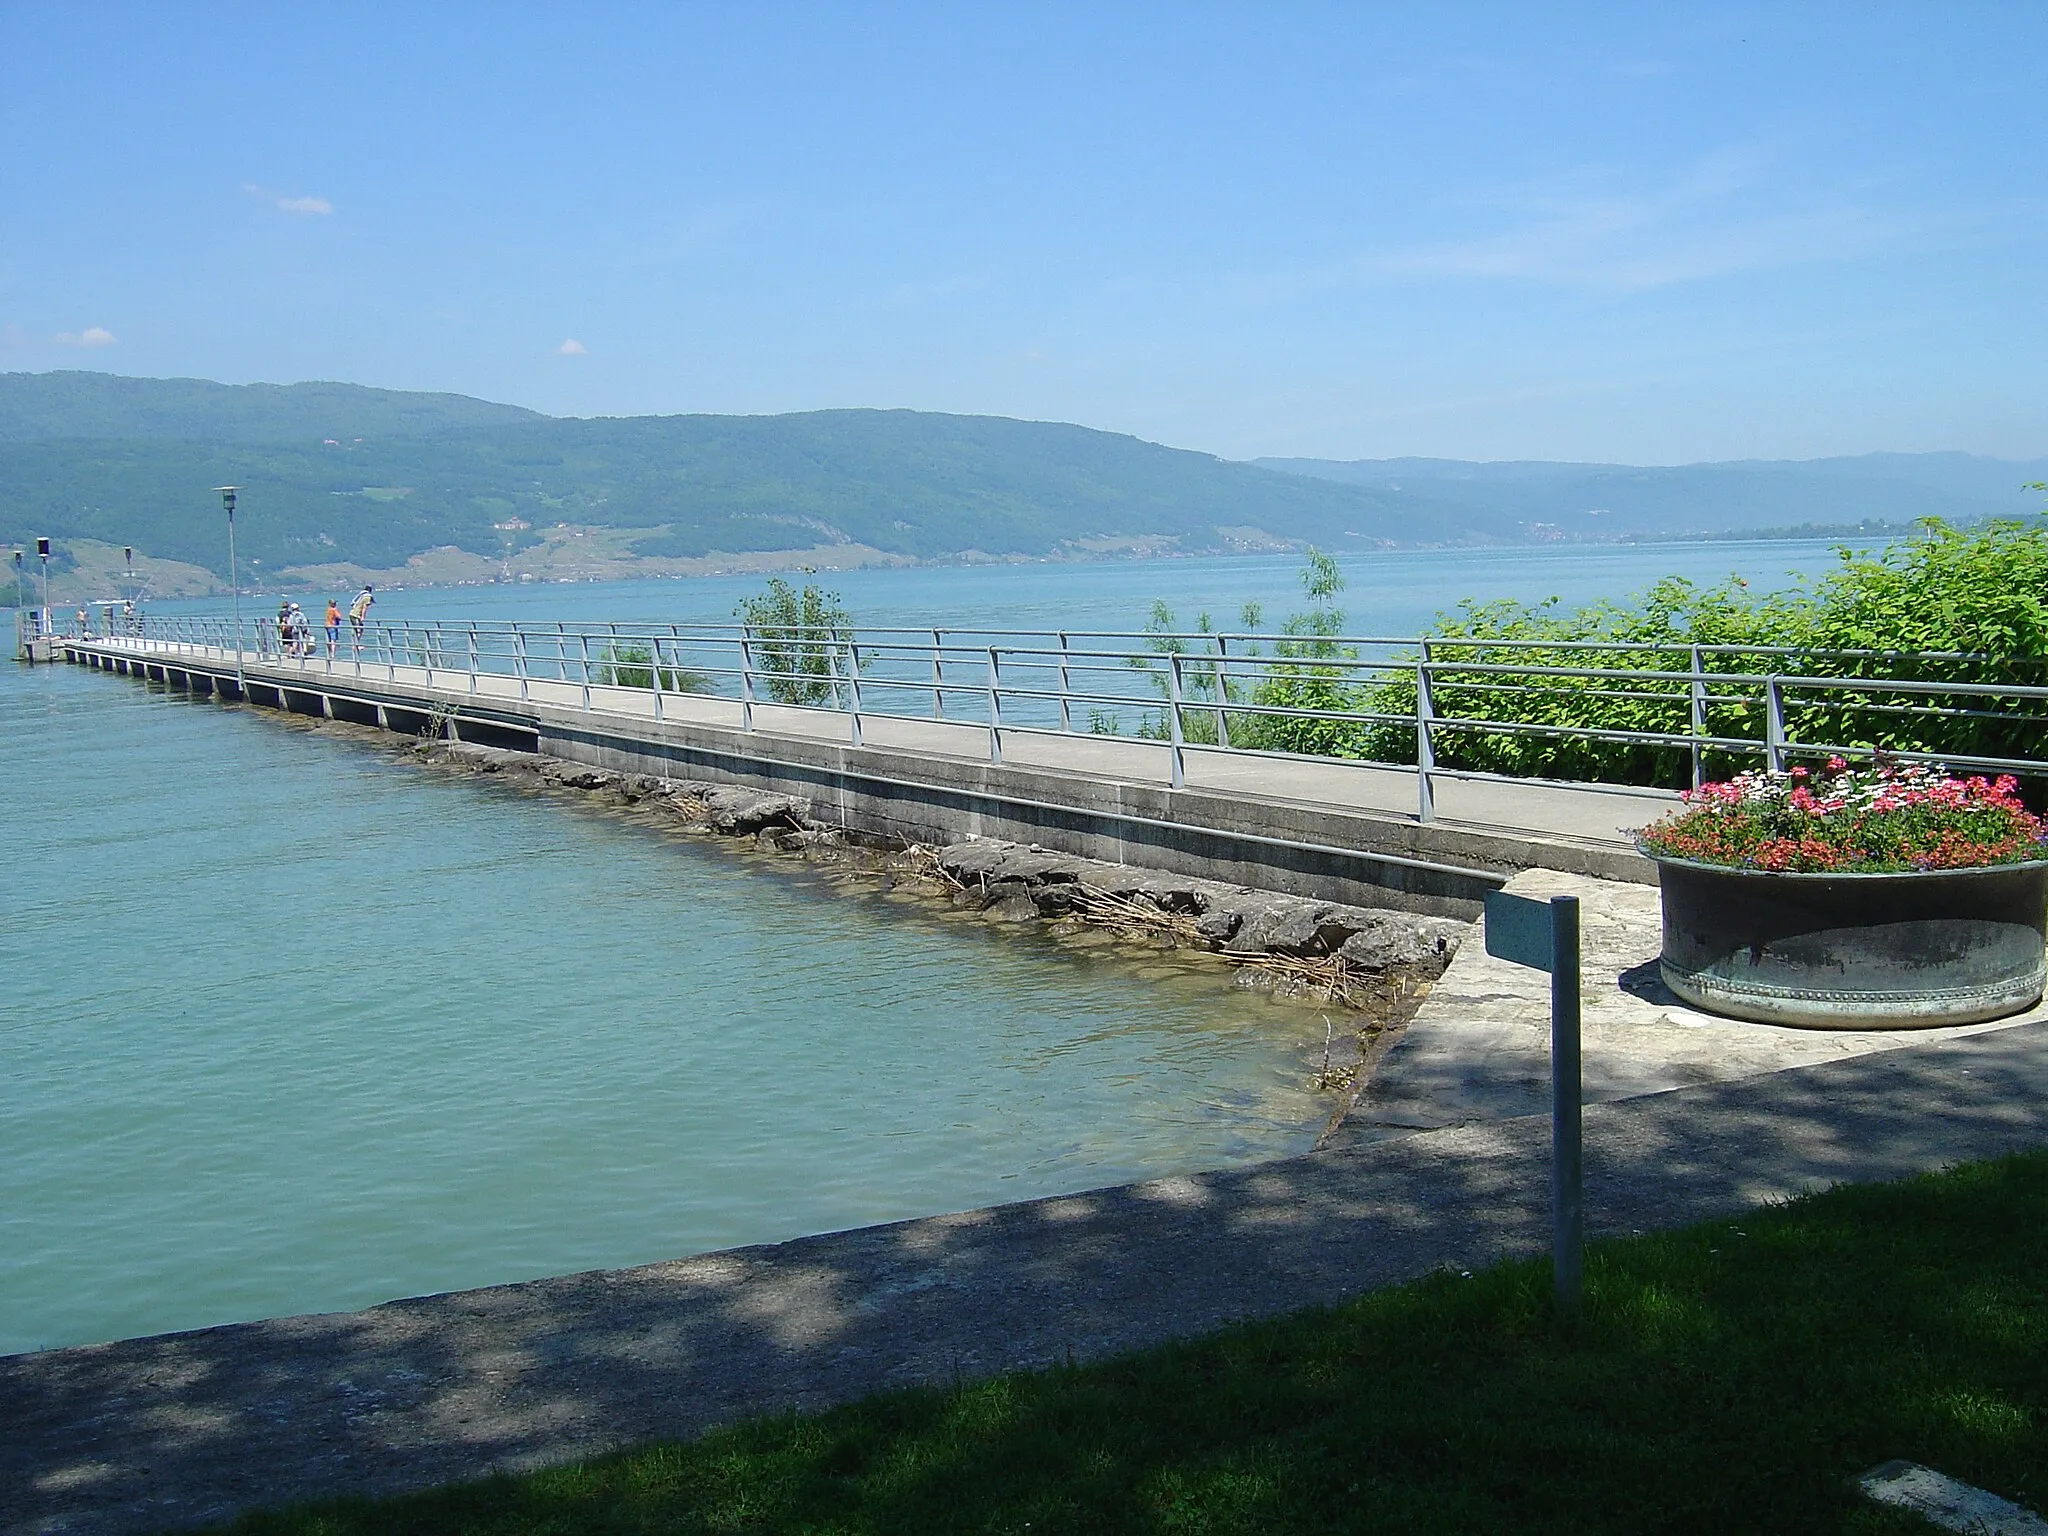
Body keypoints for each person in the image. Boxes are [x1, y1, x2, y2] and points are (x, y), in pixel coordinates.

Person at [348, 584, 374, 650]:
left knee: (357, 630)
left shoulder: (361, 595)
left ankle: (355, 644)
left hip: (352, 613)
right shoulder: (367, 597)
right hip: (356, 615)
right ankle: (355, 645)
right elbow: (365, 607)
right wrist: (363, 617)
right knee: (359, 630)